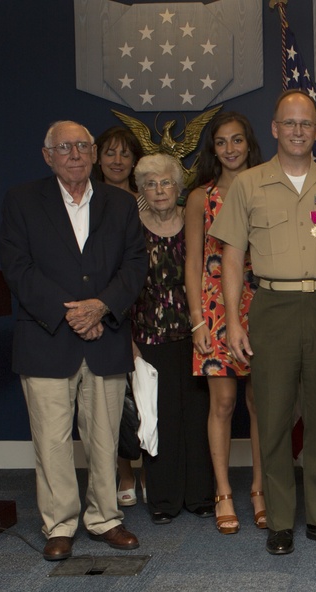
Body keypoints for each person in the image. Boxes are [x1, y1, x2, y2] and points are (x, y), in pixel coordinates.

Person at [210, 89, 316, 555]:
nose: (298, 131)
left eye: (307, 124)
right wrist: (235, 323)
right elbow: (232, 257)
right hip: (272, 308)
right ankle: (279, 519)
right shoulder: (249, 185)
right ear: (275, 129)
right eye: (289, 123)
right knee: (274, 416)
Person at [0, 120, 147, 560]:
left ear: (95, 153)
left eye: (83, 146)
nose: (76, 154)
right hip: (46, 339)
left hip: (106, 337)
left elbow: (135, 265)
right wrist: (75, 314)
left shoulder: (120, 204)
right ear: (48, 155)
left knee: (104, 438)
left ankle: (105, 518)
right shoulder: (22, 201)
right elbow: (17, 268)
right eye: (65, 147)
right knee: (52, 441)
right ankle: (59, 525)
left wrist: (101, 307)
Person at [184, 111, 268, 535]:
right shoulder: (202, 196)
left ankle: (258, 490)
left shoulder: (266, 188)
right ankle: (223, 493)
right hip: (217, 311)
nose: (231, 149)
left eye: (237, 140)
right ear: (212, 149)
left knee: (261, 406)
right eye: (222, 142)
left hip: (264, 307)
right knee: (223, 404)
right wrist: (198, 322)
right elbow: (194, 263)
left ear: (248, 144)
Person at [131, 154, 213, 525]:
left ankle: (199, 496)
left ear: (178, 188)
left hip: (194, 333)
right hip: (148, 335)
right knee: (159, 418)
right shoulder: (130, 228)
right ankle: (163, 500)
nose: (159, 190)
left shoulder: (193, 222)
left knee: (197, 417)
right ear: (141, 191)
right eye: (150, 183)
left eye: (165, 182)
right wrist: (127, 340)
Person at [94, 125, 147, 508]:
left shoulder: (148, 199)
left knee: (150, 398)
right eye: (109, 153)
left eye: (124, 154)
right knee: (117, 402)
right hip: (113, 310)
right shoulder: (88, 201)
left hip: (153, 308)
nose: (117, 160)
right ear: (98, 157)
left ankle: (155, 473)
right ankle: (125, 473)